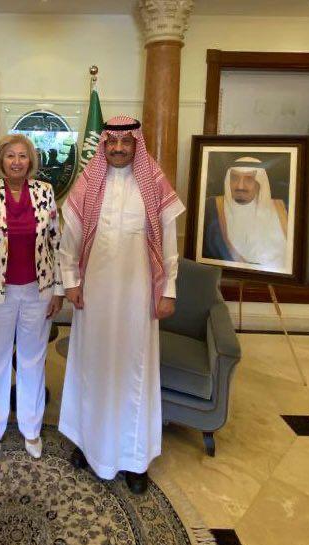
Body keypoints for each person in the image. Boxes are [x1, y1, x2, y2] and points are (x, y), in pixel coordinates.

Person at [58, 115, 184, 494]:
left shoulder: (154, 185)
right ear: (104, 145)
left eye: (125, 143)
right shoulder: (87, 184)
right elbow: (69, 240)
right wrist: (71, 283)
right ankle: (88, 443)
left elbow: (169, 245)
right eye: (111, 142)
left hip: (137, 299)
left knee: (134, 372)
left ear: (135, 145)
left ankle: (134, 459)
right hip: (93, 297)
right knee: (92, 367)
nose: (117, 148)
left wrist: (168, 290)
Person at [0, 134, 63, 462]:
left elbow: (56, 244)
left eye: (23, 156)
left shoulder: (45, 192)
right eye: (11, 156)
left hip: (38, 292)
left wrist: (58, 290)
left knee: (32, 362)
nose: (17, 162)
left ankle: (31, 429)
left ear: (30, 161)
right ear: (1, 161)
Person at [202, 156, 288, 270]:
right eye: (234, 178)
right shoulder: (211, 208)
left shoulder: (282, 211)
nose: (240, 186)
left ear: (259, 183)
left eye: (248, 179)